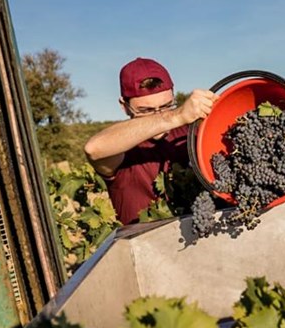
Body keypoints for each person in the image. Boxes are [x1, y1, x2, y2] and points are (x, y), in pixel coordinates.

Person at [84, 57, 217, 225]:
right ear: (124, 106)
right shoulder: (120, 147)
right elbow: (93, 148)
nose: (158, 114)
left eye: (167, 105)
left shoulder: (190, 134)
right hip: (143, 248)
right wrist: (174, 115)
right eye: (145, 110)